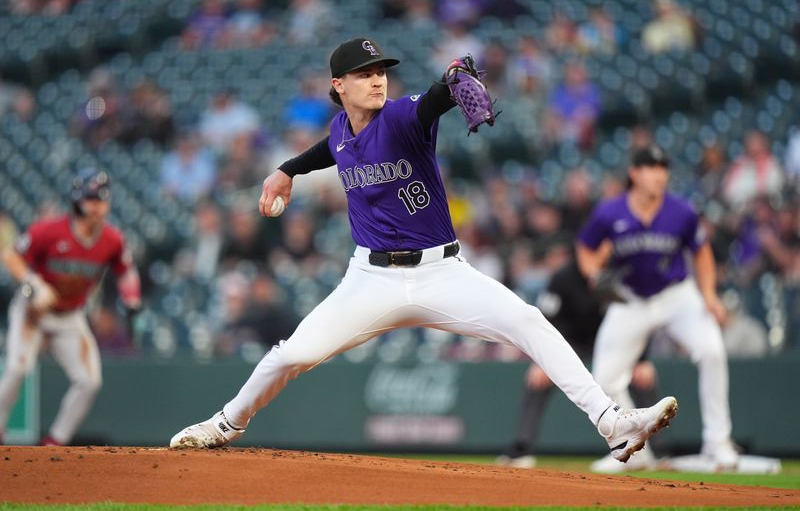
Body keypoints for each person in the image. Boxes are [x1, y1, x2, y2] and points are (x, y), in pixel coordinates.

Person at [169, 37, 678, 461]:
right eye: (364, 72)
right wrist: (287, 170)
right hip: (369, 279)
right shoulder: (340, 129)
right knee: (291, 355)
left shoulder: (405, 116)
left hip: (443, 273)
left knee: (528, 321)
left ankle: (614, 423)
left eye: (381, 70)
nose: (377, 79)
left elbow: (436, 98)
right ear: (338, 86)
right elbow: (331, 148)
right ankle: (226, 423)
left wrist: (453, 77)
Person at [576, 146, 739, 471]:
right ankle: (632, 450)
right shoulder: (610, 212)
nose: (659, 174)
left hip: (676, 295)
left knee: (712, 351)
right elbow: (585, 248)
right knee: (605, 378)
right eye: (651, 167)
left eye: (662, 168)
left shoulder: (681, 211)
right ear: (635, 173)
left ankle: (718, 443)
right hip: (630, 299)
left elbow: (702, 252)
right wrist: (593, 273)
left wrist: (709, 294)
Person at [0, 169, 141, 445]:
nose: (95, 206)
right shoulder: (49, 231)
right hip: (33, 312)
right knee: (18, 369)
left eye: (100, 199)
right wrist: (34, 284)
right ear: (77, 201)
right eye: (90, 199)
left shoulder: (112, 239)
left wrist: (131, 297)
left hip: (70, 315)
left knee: (89, 381)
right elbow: (12, 256)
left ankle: (55, 442)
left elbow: (126, 271)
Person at [496, 256, 661, 470]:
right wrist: (542, 359)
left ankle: (658, 452)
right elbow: (547, 319)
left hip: (613, 341)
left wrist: (642, 358)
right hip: (571, 342)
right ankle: (522, 448)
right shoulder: (564, 277)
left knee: (641, 376)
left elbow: (640, 318)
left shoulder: (623, 272)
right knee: (537, 379)